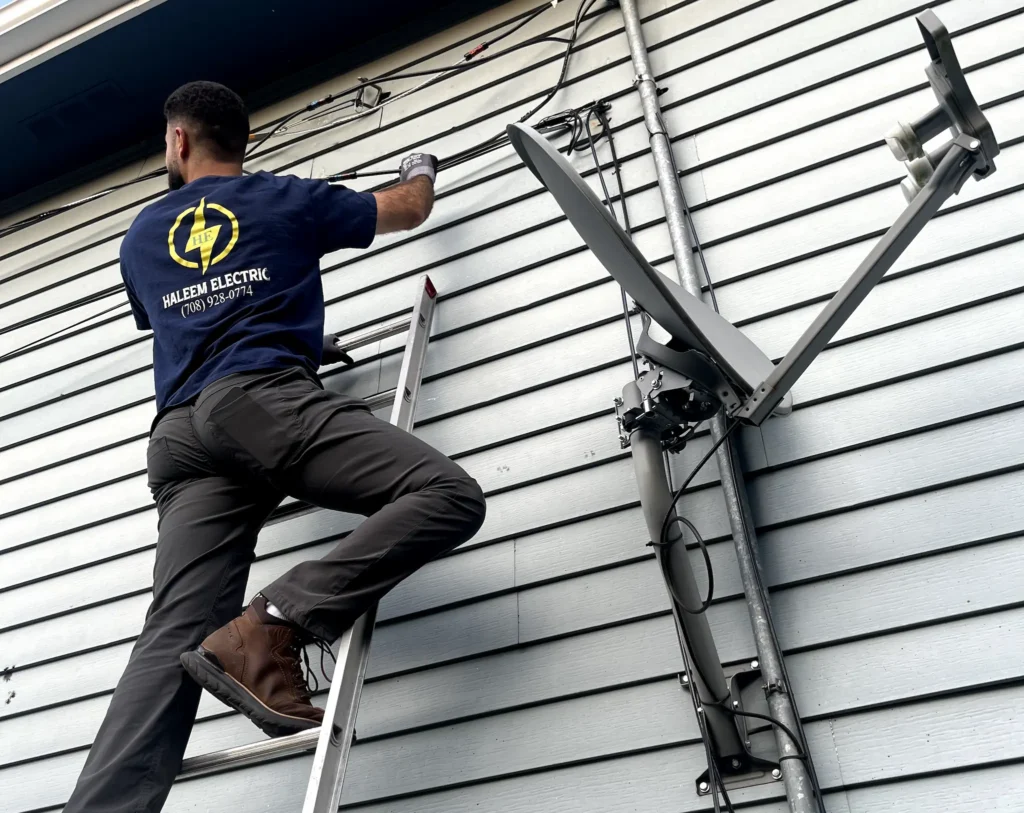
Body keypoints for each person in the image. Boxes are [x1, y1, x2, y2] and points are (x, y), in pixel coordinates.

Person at [64, 80, 486, 813]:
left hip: (178, 438)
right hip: (258, 401)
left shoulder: (140, 236)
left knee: (173, 634)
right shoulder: (286, 199)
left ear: (179, 141)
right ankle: (273, 624)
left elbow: (194, 313)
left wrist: (288, 338)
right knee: (447, 494)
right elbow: (408, 209)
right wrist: (420, 165)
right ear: (244, 141)